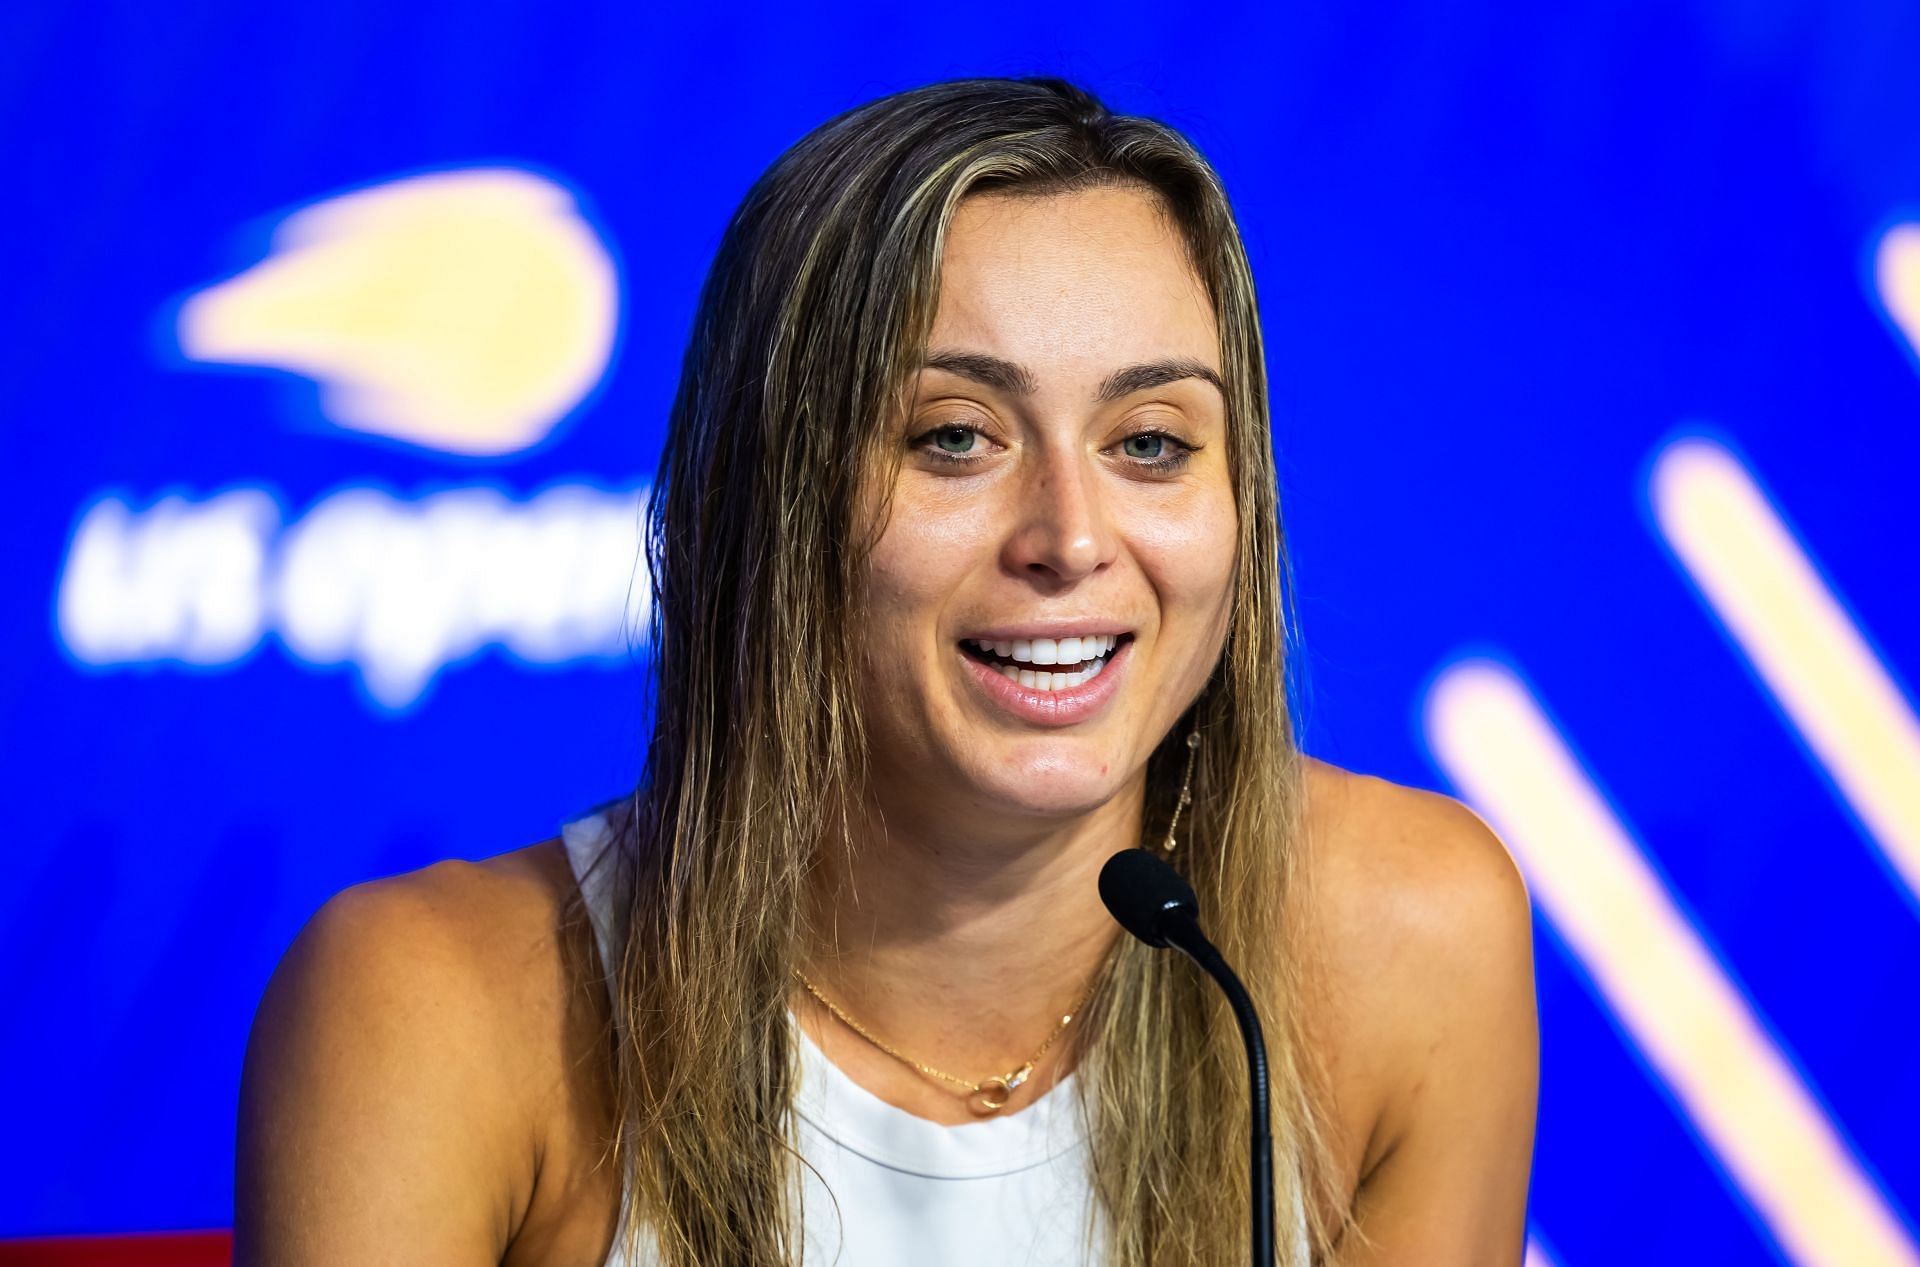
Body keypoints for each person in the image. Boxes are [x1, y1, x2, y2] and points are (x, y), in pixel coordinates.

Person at [234, 76, 1538, 1266]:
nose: (1073, 540)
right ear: (768, 500)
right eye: (957, 438)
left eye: (1150, 443)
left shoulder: (1406, 942)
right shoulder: (429, 1013)